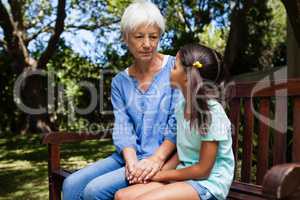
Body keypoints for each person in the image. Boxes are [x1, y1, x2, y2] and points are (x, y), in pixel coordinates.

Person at [62, 1, 178, 199]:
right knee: (71, 184)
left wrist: (156, 159)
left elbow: (179, 122)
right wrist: (131, 161)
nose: (147, 43)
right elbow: (123, 126)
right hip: (129, 156)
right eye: (139, 36)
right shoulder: (120, 81)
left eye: (153, 36)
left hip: (166, 158)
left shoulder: (176, 68)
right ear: (126, 38)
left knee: (94, 191)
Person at [115, 43, 235, 200]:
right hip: (185, 174)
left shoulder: (212, 113)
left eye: (174, 67)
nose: (170, 70)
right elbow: (182, 151)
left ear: (186, 76)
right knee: (121, 196)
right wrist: (155, 174)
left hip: (208, 183)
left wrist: (160, 176)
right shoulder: (181, 108)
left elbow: (203, 170)